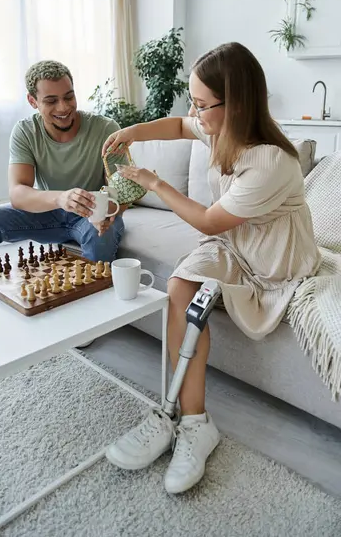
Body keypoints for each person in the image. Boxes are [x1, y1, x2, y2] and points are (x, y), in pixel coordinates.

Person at [101, 42, 321, 494]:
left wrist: (154, 182)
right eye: (195, 101)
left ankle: (182, 419)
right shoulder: (217, 127)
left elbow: (205, 220)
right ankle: (195, 422)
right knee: (179, 286)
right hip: (234, 240)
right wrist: (133, 131)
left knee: (197, 282)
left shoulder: (271, 162)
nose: (195, 112)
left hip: (273, 259)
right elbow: (181, 126)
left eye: (202, 104)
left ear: (235, 102)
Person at [0, 60, 125, 262]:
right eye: (51, 101)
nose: (63, 107)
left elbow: (119, 189)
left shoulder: (106, 129)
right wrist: (60, 198)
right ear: (32, 101)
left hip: (89, 216)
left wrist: (106, 214)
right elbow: (18, 193)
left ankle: (92, 291)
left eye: (69, 96)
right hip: (47, 212)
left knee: (101, 234)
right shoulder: (25, 131)